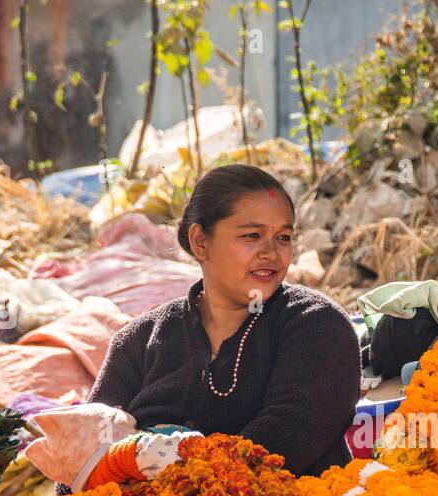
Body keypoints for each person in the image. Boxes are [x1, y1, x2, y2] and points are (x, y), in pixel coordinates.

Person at [88, 164, 361, 477]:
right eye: (252, 235)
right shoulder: (138, 341)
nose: (271, 253)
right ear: (200, 242)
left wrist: (163, 480)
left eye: (283, 237)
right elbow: (80, 459)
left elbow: (281, 442)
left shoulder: (317, 324)